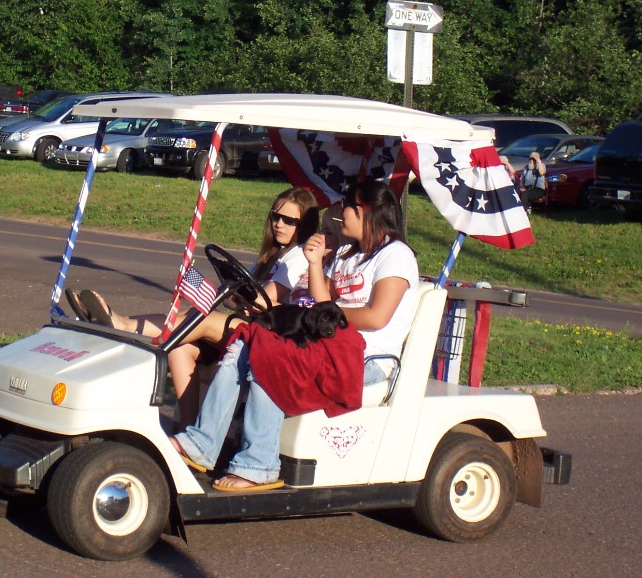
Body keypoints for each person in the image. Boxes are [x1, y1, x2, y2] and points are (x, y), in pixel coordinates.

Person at [170, 179, 419, 491]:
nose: (341, 214)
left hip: (366, 361)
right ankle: (201, 443)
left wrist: (324, 316)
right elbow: (322, 299)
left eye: (348, 207)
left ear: (366, 211)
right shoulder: (348, 254)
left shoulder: (396, 256)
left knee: (273, 360)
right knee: (245, 344)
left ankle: (258, 465)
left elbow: (375, 317)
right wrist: (315, 264)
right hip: (328, 347)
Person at [68, 187, 320, 427]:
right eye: (276, 217)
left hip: (270, 335)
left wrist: (241, 299)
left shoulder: (298, 256)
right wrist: (239, 299)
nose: (279, 224)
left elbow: (263, 298)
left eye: (289, 221)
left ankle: (123, 325)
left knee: (201, 317)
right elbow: (233, 298)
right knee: (181, 347)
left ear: (304, 225)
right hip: (249, 323)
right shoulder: (271, 256)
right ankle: (186, 429)